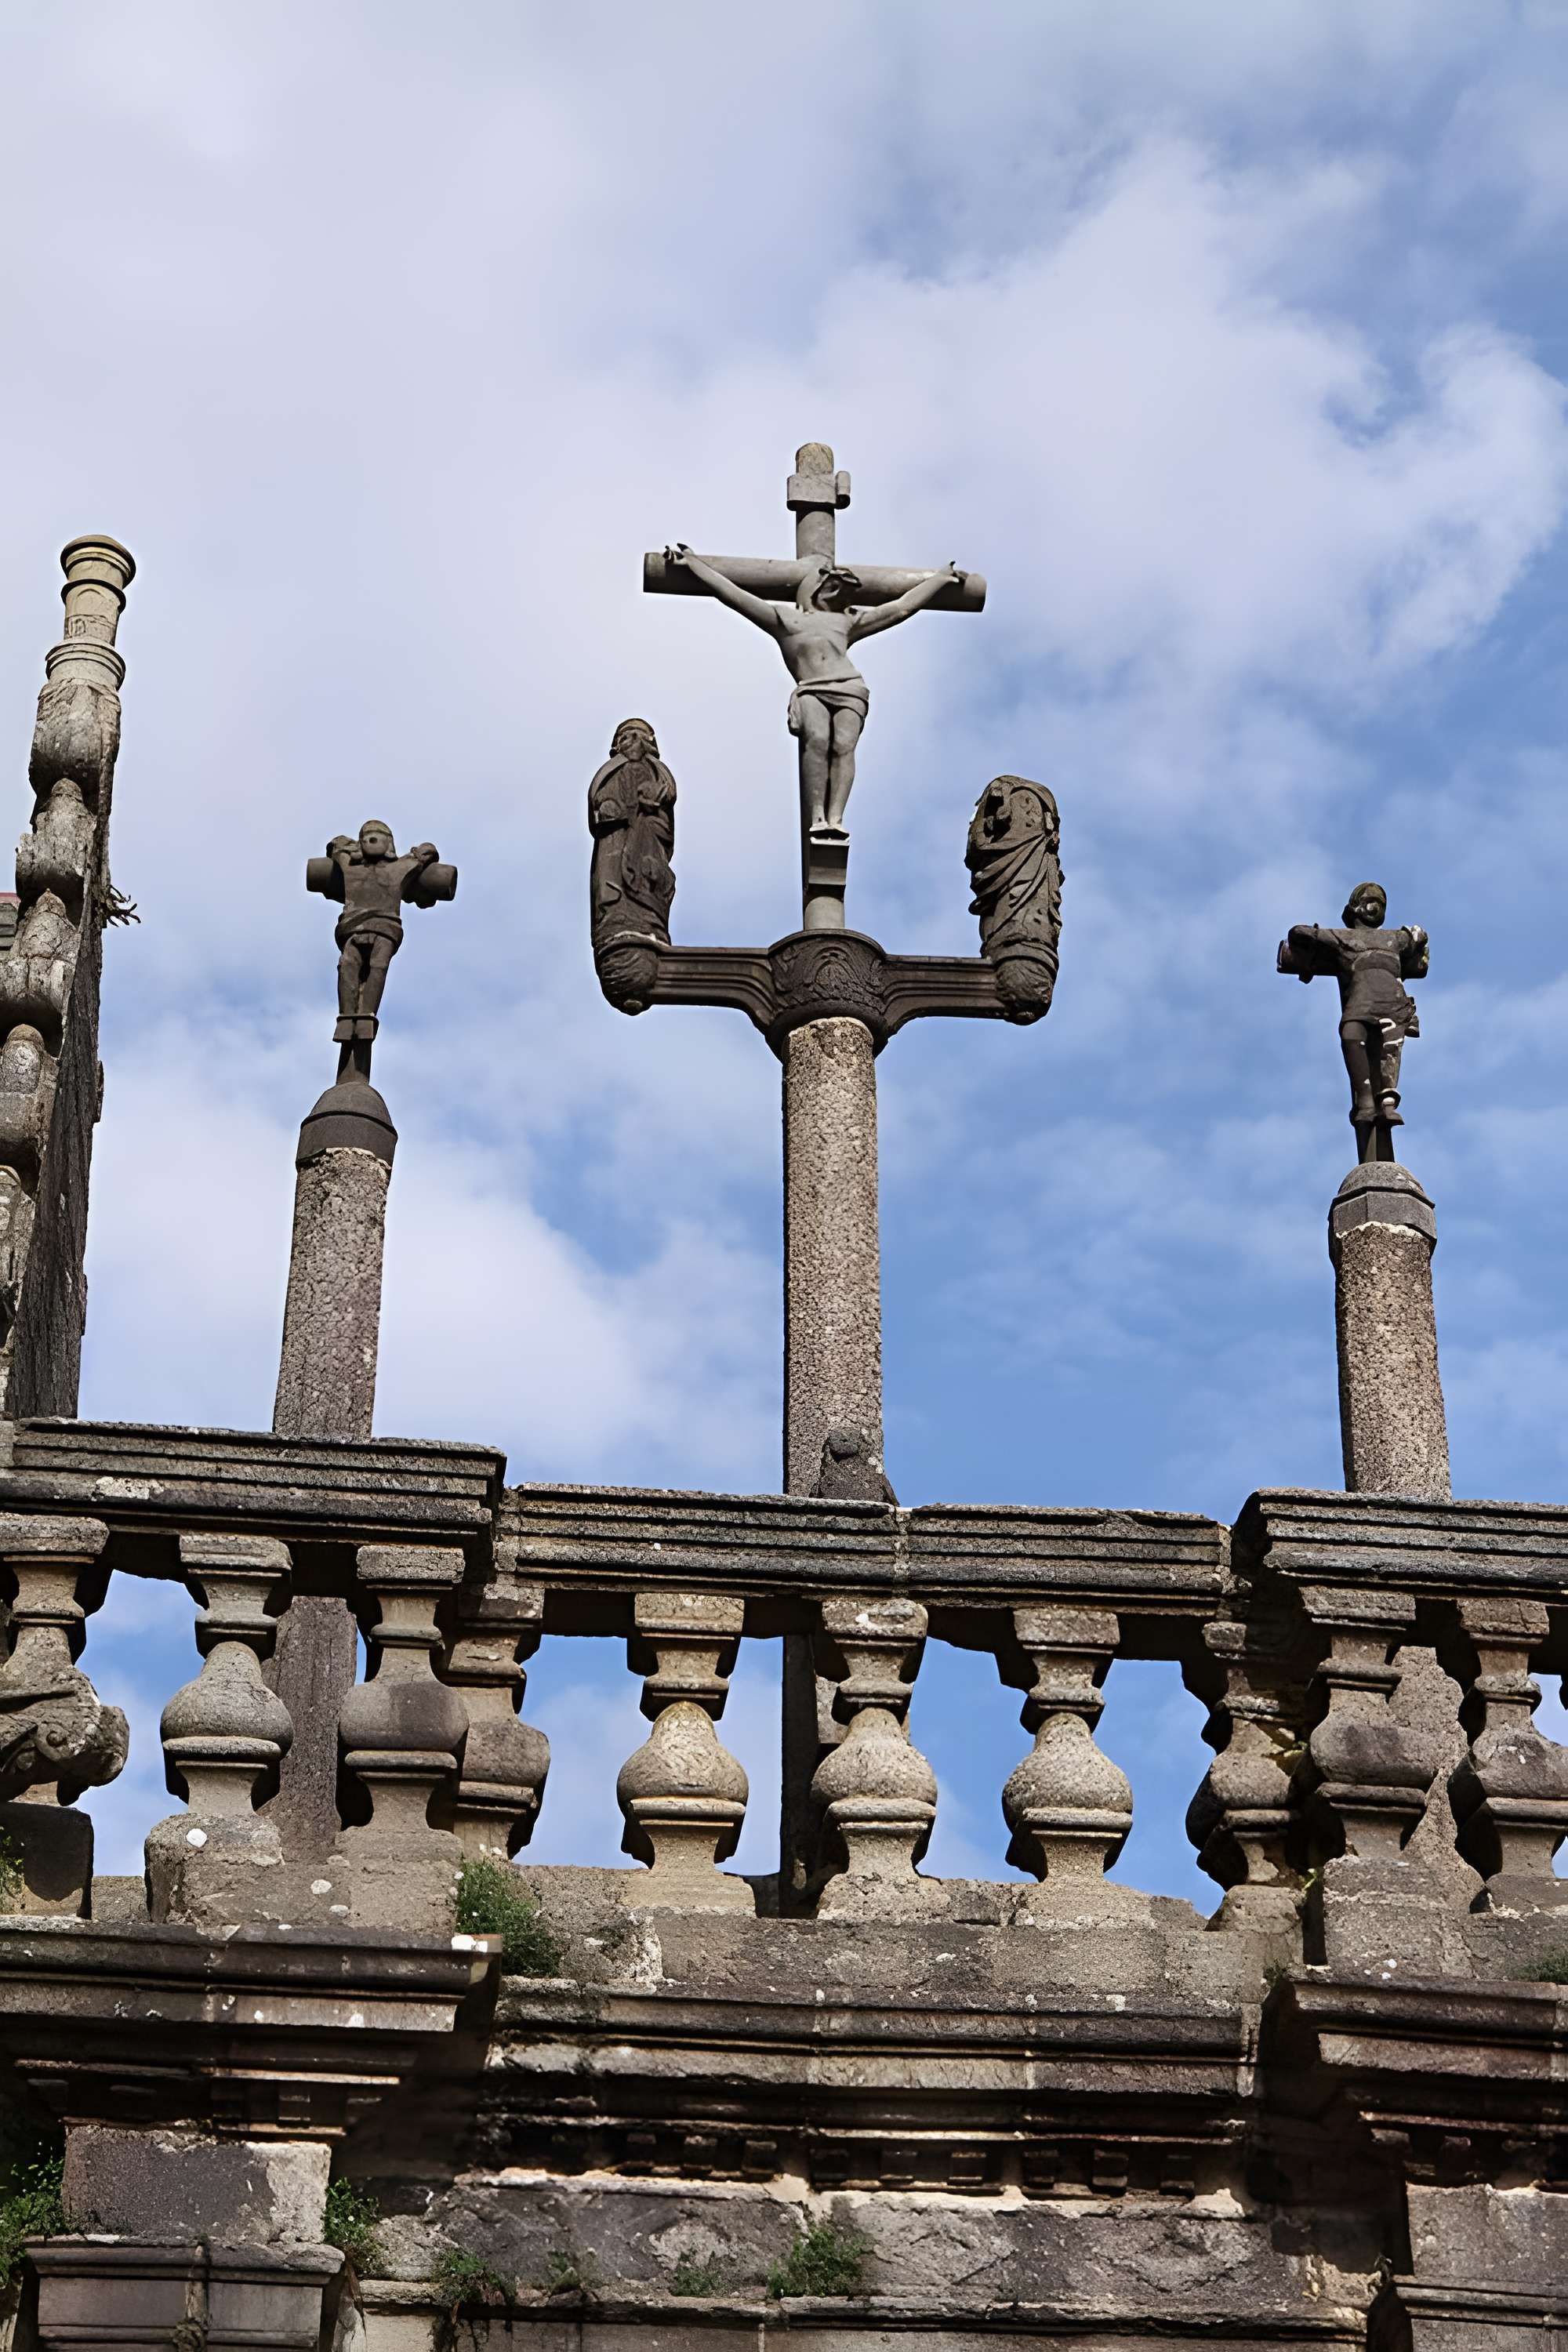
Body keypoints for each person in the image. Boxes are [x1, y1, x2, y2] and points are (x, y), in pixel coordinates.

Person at [666, 543, 964, 833]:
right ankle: (818, 816)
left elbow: (900, 608)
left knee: (844, 747)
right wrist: (694, 565)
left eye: (842, 588)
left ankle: (835, 817)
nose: (838, 592)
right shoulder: (784, 619)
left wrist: (938, 579)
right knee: (818, 740)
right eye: (832, 585)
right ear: (816, 587)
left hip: (850, 687)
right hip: (811, 688)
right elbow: (733, 594)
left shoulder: (847, 621)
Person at [1279, 881, 1428, 1129]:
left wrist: (1417, 937)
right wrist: (1310, 937)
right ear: (1355, 908)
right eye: (1370, 901)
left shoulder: (1395, 938)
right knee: (1351, 1035)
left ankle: (1388, 1102)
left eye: (1380, 903)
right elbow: (1299, 933)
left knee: (1390, 1050)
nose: (1374, 907)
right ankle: (1366, 1101)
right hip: (1361, 1002)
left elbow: (1418, 941)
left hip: (1393, 1005)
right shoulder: (1344, 937)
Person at [323, 820, 444, 1042]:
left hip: (384, 931)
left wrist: (420, 853)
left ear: (389, 843)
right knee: (347, 965)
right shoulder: (349, 866)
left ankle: (366, 1018)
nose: (371, 840)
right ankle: (347, 1019)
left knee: (378, 968)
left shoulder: (399, 868)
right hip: (353, 930)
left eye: (377, 835)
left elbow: (428, 850)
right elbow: (337, 844)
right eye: (366, 836)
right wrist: (350, 848)